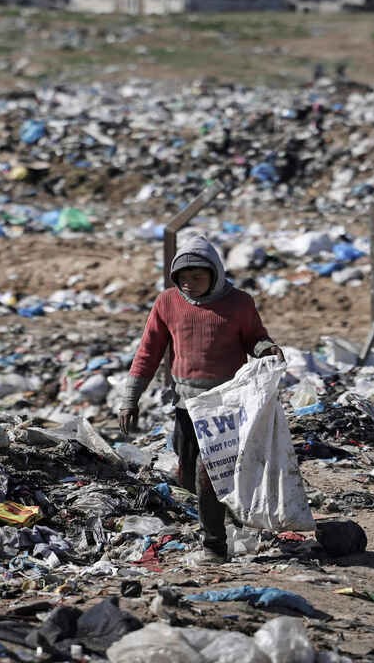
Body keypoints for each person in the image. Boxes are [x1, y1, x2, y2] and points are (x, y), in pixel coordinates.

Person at [118, 236, 283, 565]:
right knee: (187, 474)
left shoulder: (238, 303)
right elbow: (148, 352)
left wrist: (267, 349)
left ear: (215, 274)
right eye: (183, 278)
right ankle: (226, 511)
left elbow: (254, 337)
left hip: (225, 405)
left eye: (198, 277)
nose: (189, 285)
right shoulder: (167, 302)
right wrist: (130, 399)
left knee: (209, 473)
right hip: (185, 405)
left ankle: (214, 546)